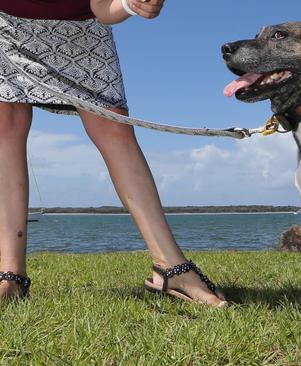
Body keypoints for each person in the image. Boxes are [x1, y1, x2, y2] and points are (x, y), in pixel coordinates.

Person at [0, 0, 226, 306]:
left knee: (115, 131)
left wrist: (130, 4)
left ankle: (171, 267)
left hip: (83, 31)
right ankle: (10, 275)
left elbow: (103, 8)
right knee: (6, 130)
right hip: (7, 26)